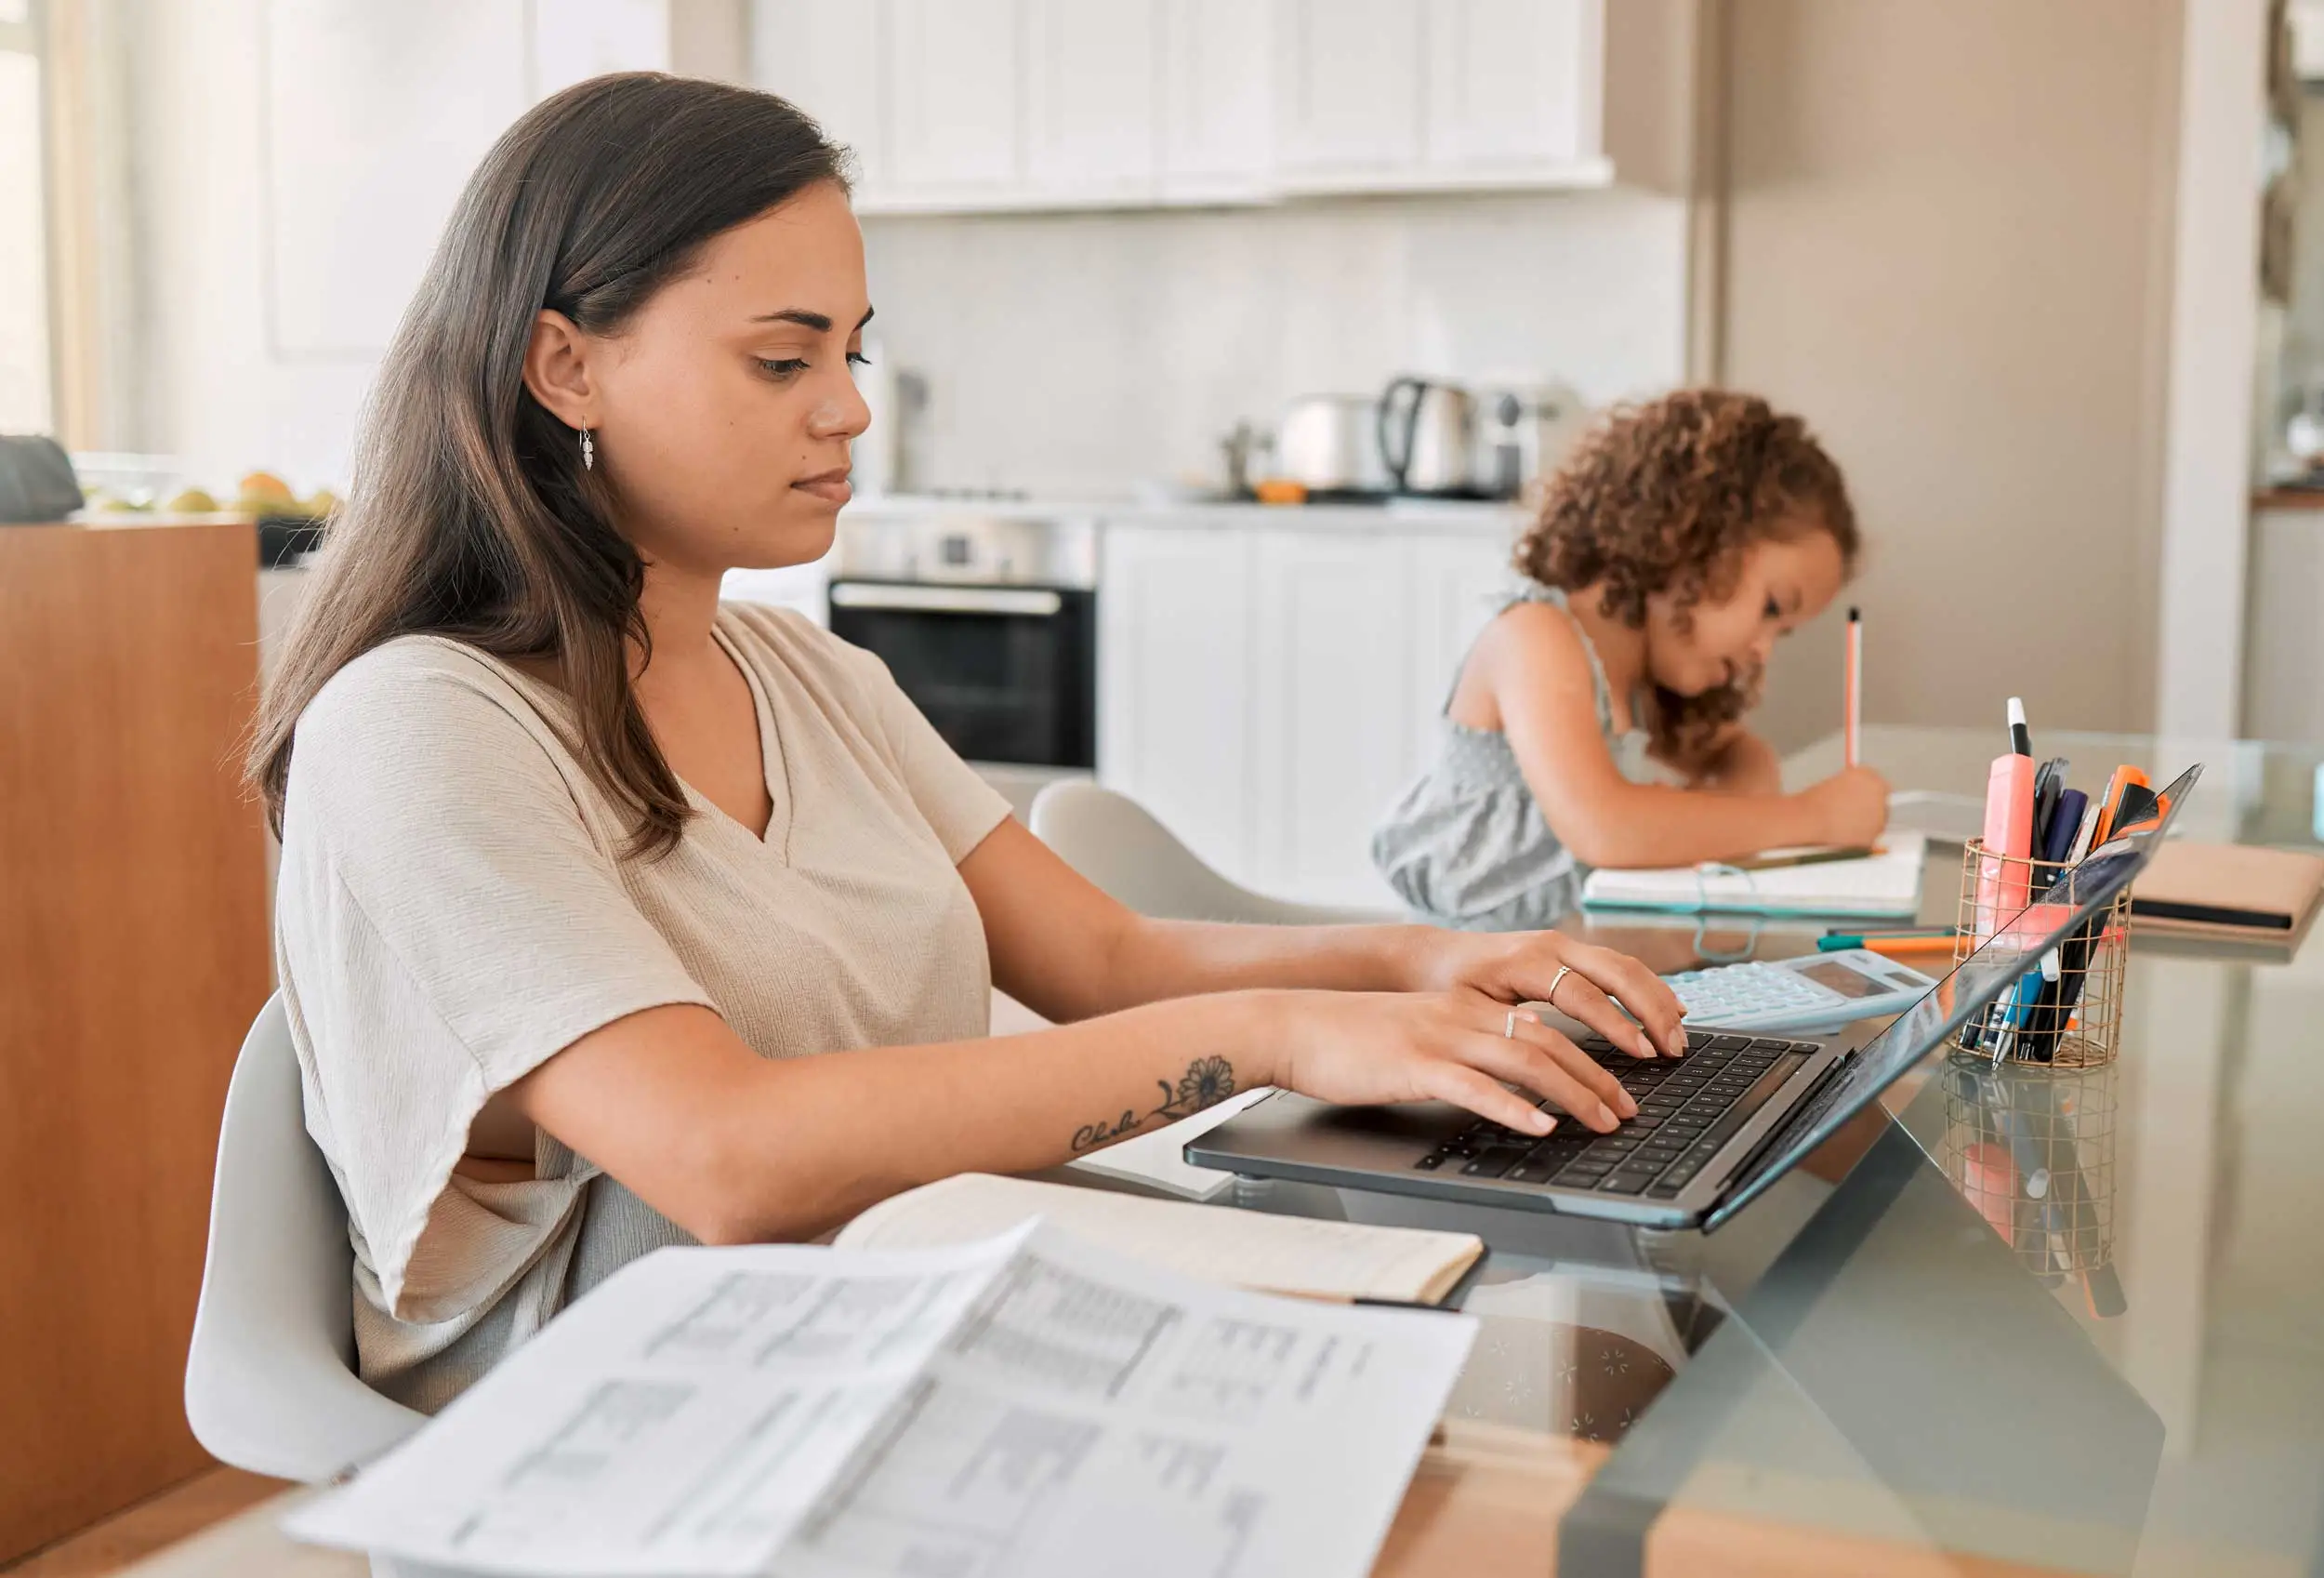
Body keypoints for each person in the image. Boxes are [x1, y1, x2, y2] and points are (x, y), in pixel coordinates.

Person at [248, 73, 1686, 1414]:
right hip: (647, 1422)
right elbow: (724, 1158)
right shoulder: (421, 725)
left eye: (851, 349)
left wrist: (1413, 963)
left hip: (907, 1320)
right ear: (565, 366)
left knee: (1560, 1371)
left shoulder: (812, 679)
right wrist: (1271, 1030)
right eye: (780, 357)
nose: (850, 406)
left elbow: (1111, 965)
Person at [1373, 390, 1889, 931]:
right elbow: (1606, 826)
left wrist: (1750, 780)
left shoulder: (1641, 687)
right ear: (1691, 538)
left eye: (1781, 633)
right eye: (1770, 608)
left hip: (1555, 983)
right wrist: (1813, 818)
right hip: (1448, 991)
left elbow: (1737, 756)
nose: (1763, 649)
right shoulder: (1537, 638)